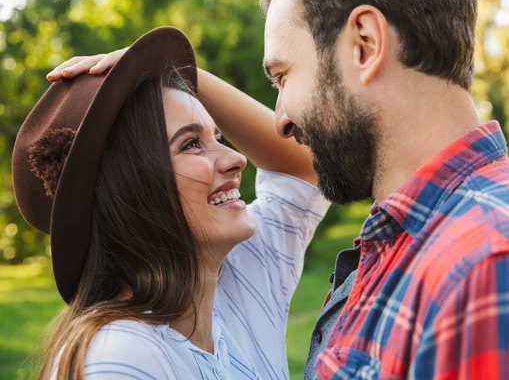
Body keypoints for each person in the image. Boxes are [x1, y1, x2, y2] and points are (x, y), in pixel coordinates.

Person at [50, 0, 509, 378]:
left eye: (283, 76)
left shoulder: (496, 272)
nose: (280, 119)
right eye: (193, 143)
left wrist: (152, 75)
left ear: (365, 44)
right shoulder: (413, 250)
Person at [14, 26, 330, 379]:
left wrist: (189, 80)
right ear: (130, 189)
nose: (236, 159)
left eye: (219, 136)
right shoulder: (122, 357)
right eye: (191, 143)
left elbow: (305, 169)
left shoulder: (241, 280)